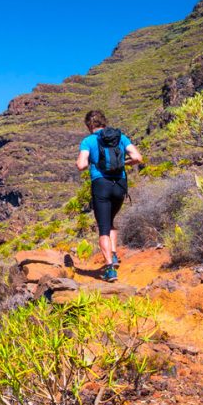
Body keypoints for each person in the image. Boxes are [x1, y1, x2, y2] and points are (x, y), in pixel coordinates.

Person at [76, 110, 142, 281]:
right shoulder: (120, 137)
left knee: (103, 228)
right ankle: (113, 254)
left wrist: (94, 162)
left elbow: (81, 165)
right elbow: (137, 157)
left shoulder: (88, 141)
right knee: (111, 221)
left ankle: (110, 268)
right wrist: (122, 163)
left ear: (89, 125)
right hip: (120, 185)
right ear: (104, 122)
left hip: (101, 186)